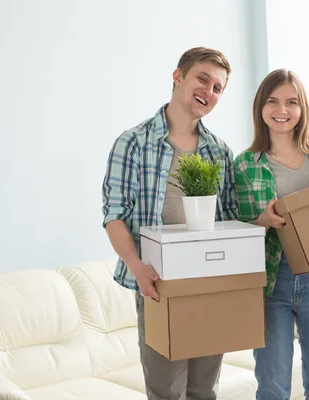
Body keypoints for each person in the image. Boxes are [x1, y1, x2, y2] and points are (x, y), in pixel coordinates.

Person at [102, 47, 238, 400]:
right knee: (166, 392)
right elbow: (115, 215)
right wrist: (137, 268)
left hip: (209, 284)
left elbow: (232, 219)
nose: (209, 91)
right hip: (158, 284)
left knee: (204, 390)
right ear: (178, 77)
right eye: (202, 79)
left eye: (218, 88)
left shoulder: (219, 152)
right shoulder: (133, 143)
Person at [233, 69, 309, 400]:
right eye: (273, 101)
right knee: (272, 388)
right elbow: (235, 228)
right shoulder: (244, 164)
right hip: (271, 282)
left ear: (302, 108)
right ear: (261, 107)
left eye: (291, 102)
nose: (282, 110)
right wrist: (262, 220)